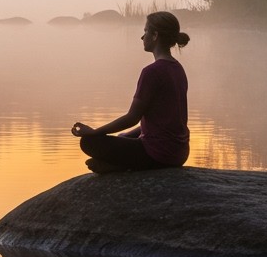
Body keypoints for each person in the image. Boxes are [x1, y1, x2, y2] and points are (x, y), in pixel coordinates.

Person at [70, 11, 190, 173]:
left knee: (89, 142)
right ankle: (117, 164)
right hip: (179, 153)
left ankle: (117, 166)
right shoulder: (178, 69)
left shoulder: (152, 72)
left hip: (158, 154)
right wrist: (125, 136)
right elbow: (166, 122)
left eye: (146, 31)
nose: (142, 37)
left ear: (155, 35)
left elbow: (132, 118)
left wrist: (94, 132)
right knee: (122, 137)